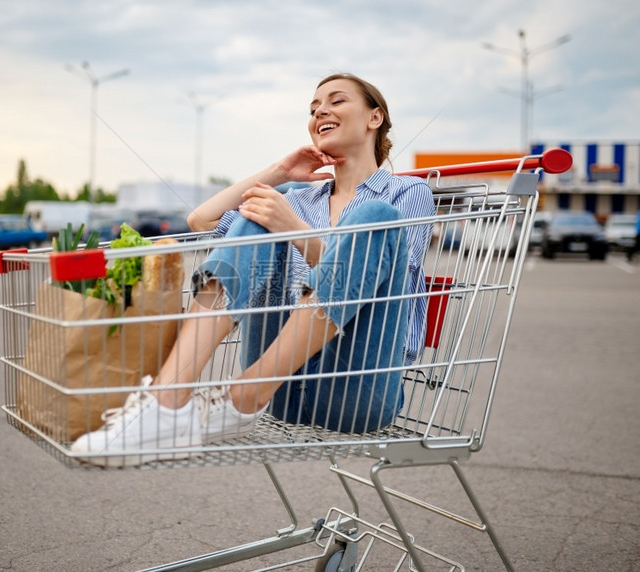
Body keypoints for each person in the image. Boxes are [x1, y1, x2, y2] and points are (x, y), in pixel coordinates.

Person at [71, 73, 435, 466]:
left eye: (336, 101)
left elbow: (377, 283)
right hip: (282, 391)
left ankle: (243, 394)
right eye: (313, 109)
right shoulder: (298, 197)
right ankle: (167, 401)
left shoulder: (407, 193)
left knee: (374, 217)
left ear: (374, 117)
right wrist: (279, 173)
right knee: (257, 212)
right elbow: (202, 220)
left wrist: (294, 229)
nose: (320, 112)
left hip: (355, 386)